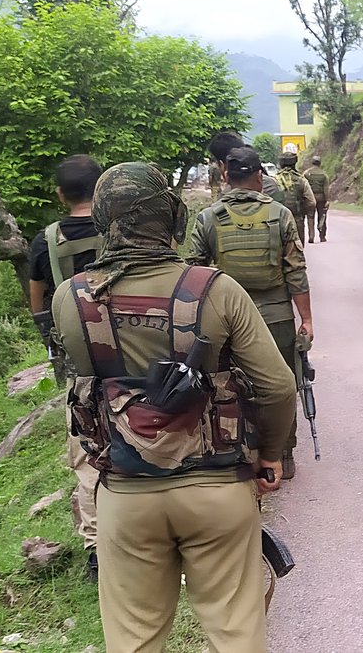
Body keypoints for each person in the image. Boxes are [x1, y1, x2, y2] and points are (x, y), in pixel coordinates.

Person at [52, 162, 295, 653]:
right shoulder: (215, 289)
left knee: (134, 638)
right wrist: (270, 455)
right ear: (174, 218)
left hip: (126, 493)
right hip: (218, 489)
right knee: (235, 630)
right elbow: (277, 384)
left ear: (102, 220)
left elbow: (79, 386)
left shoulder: (71, 298)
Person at [189, 145, 312, 480]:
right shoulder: (281, 215)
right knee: (283, 384)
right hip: (275, 316)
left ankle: (239, 453)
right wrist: (307, 320)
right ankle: (283, 455)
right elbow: (296, 271)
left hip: (224, 318)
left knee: (229, 385)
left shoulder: (208, 217)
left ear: (226, 177)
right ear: (260, 176)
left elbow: (193, 273)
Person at [26, 154, 103, 580]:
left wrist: (53, 346)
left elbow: (38, 303)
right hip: (131, 345)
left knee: (87, 452)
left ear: (60, 194)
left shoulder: (47, 241)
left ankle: (97, 550)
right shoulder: (119, 228)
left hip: (80, 360)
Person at [274, 151, 317, 244]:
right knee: (298, 252)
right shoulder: (301, 180)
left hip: (276, 222)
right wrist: (304, 213)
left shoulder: (274, 180)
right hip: (297, 221)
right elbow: (312, 202)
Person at [303, 155, 330, 243]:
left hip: (310, 199)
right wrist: (327, 200)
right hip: (321, 199)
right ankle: (322, 236)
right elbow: (326, 188)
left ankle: (311, 236)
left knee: (310, 217)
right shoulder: (324, 174)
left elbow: (304, 186)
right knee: (321, 217)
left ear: (312, 162)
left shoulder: (306, 173)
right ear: (320, 163)